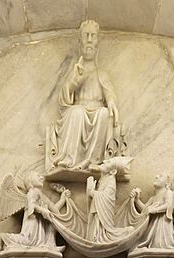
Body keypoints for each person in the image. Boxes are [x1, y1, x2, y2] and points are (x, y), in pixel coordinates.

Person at [46, 20, 124, 172]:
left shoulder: (102, 74)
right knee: (77, 112)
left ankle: (94, 161)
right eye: (86, 35)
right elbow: (64, 99)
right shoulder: (75, 72)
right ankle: (71, 159)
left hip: (97, 111)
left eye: (93, 36)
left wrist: (112, 103)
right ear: (80, 41)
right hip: (78, 111)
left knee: (104, 112)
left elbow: (109, 93)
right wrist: (75, 80)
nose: (89, 39)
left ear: (97, 43)